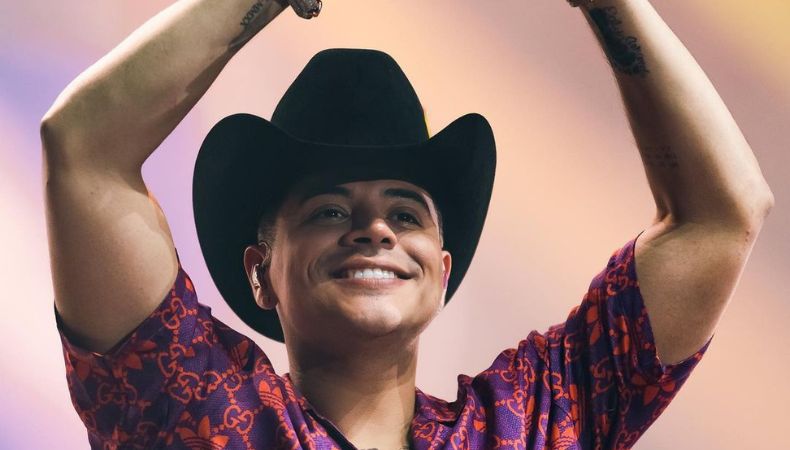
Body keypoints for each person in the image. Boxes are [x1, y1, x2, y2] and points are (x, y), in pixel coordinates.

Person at [41, 0, 773, 449]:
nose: (374, 230)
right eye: (330, 210)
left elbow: (722, 214)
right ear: (260, 271)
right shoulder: (189, 406)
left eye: (405, 212)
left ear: (441, 271)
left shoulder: (532, 424)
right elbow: (83, 151)